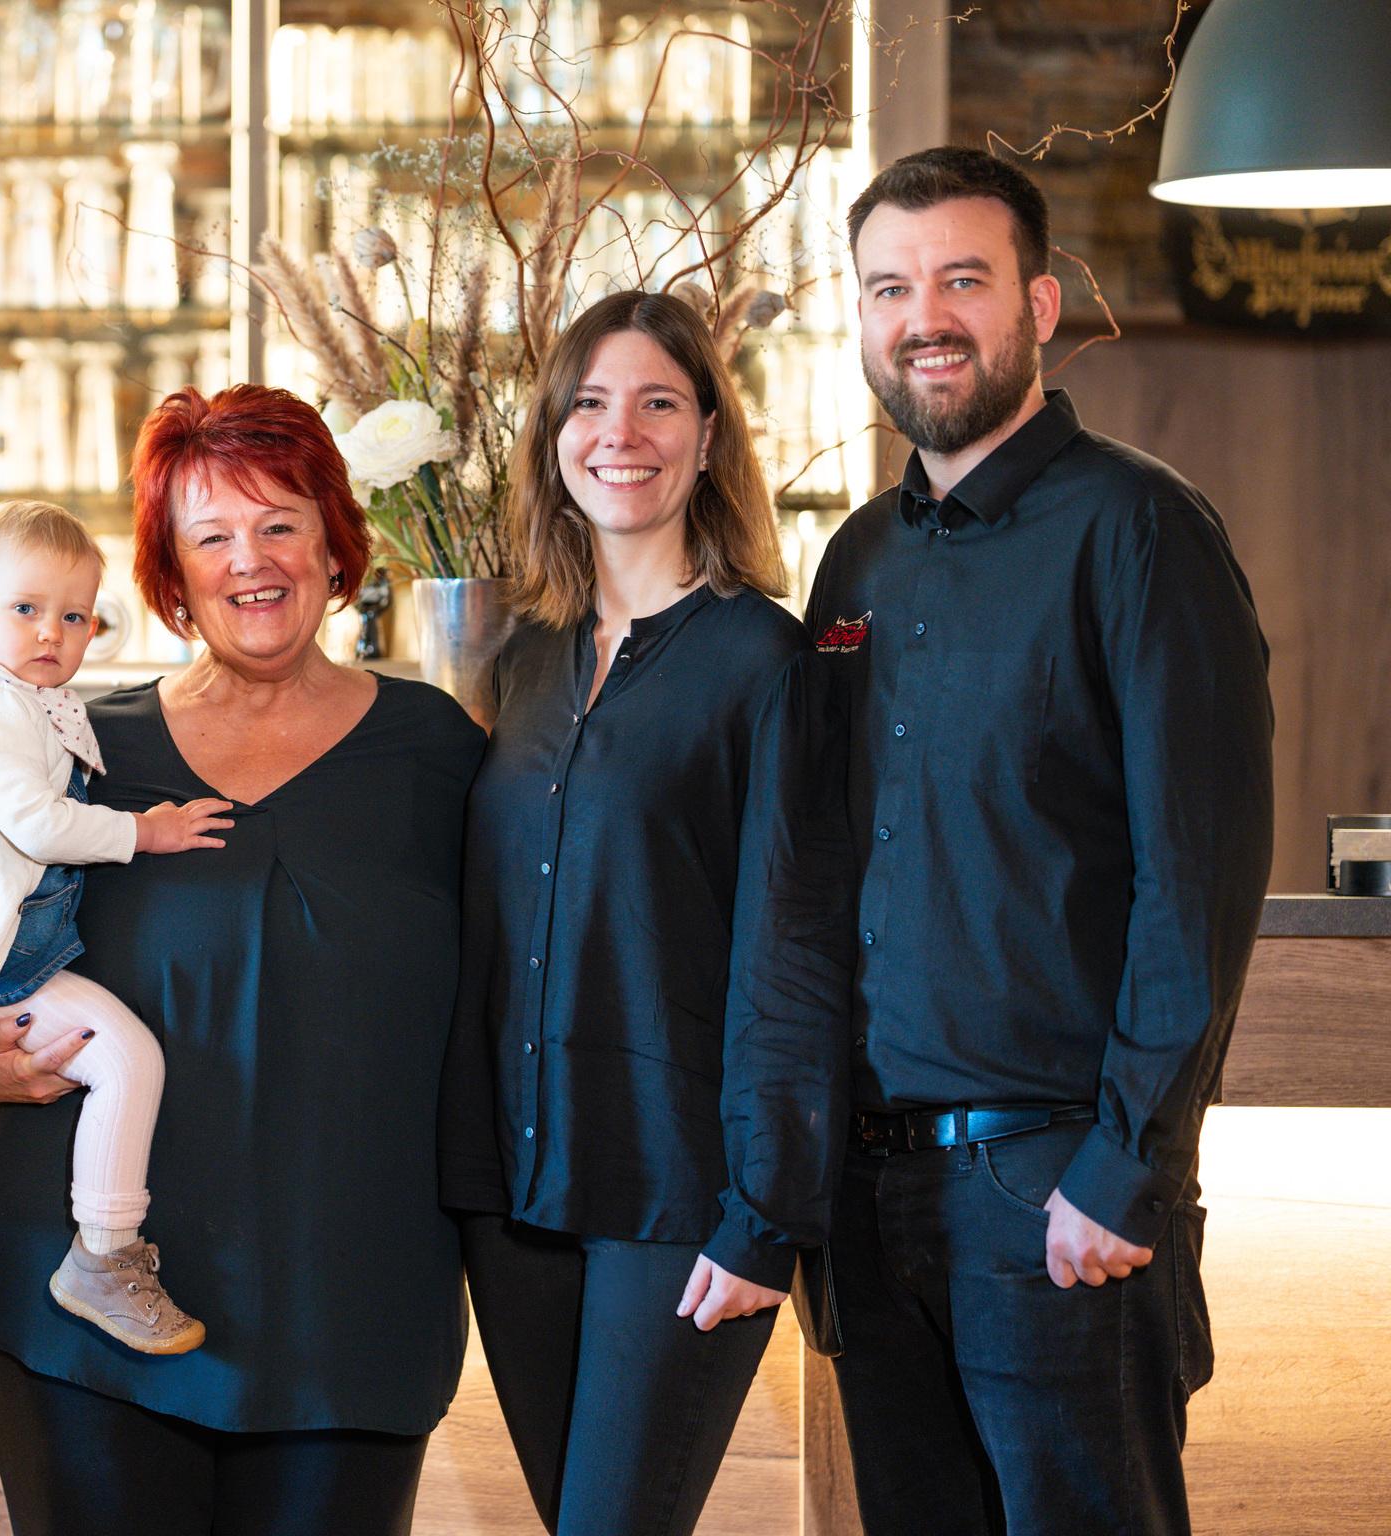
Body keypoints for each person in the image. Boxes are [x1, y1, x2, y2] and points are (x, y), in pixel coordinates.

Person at [0, 384, 486, 1535]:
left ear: (336, 543)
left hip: (350, 1306)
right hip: (85, 1305)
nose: (250, 560)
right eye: (210, 535)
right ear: (169, 572)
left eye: (280, 524)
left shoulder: (441, 749)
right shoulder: (80, 749)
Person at [807, 146, 1273, 1534]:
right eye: (890, 288)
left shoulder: (1142, 530)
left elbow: (1199, 881)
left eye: (963, 279)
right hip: (872, 1198)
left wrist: (1126, 1172)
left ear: (1041, 304)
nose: (925, 318)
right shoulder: (857, 561)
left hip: (1054, 1193)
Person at [438, 289, 855, 1535]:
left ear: (710, 437)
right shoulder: (521, 657)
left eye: (659, 403)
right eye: (591, 403)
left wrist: (763, 1217)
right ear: (554, 438)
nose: (621, 432)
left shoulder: (765, 661)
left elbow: (795, 954)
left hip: (682, 1195)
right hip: (511, 1187)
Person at [0, 498, 231, 1353]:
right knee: (128, 1059)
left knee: (124, 1058)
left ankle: (99, 1251)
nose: (51, 632)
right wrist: (147, 831)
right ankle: (102, 1255)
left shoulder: (25, 702)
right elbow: (37, 825)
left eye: (74, 616)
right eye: (26, 609)